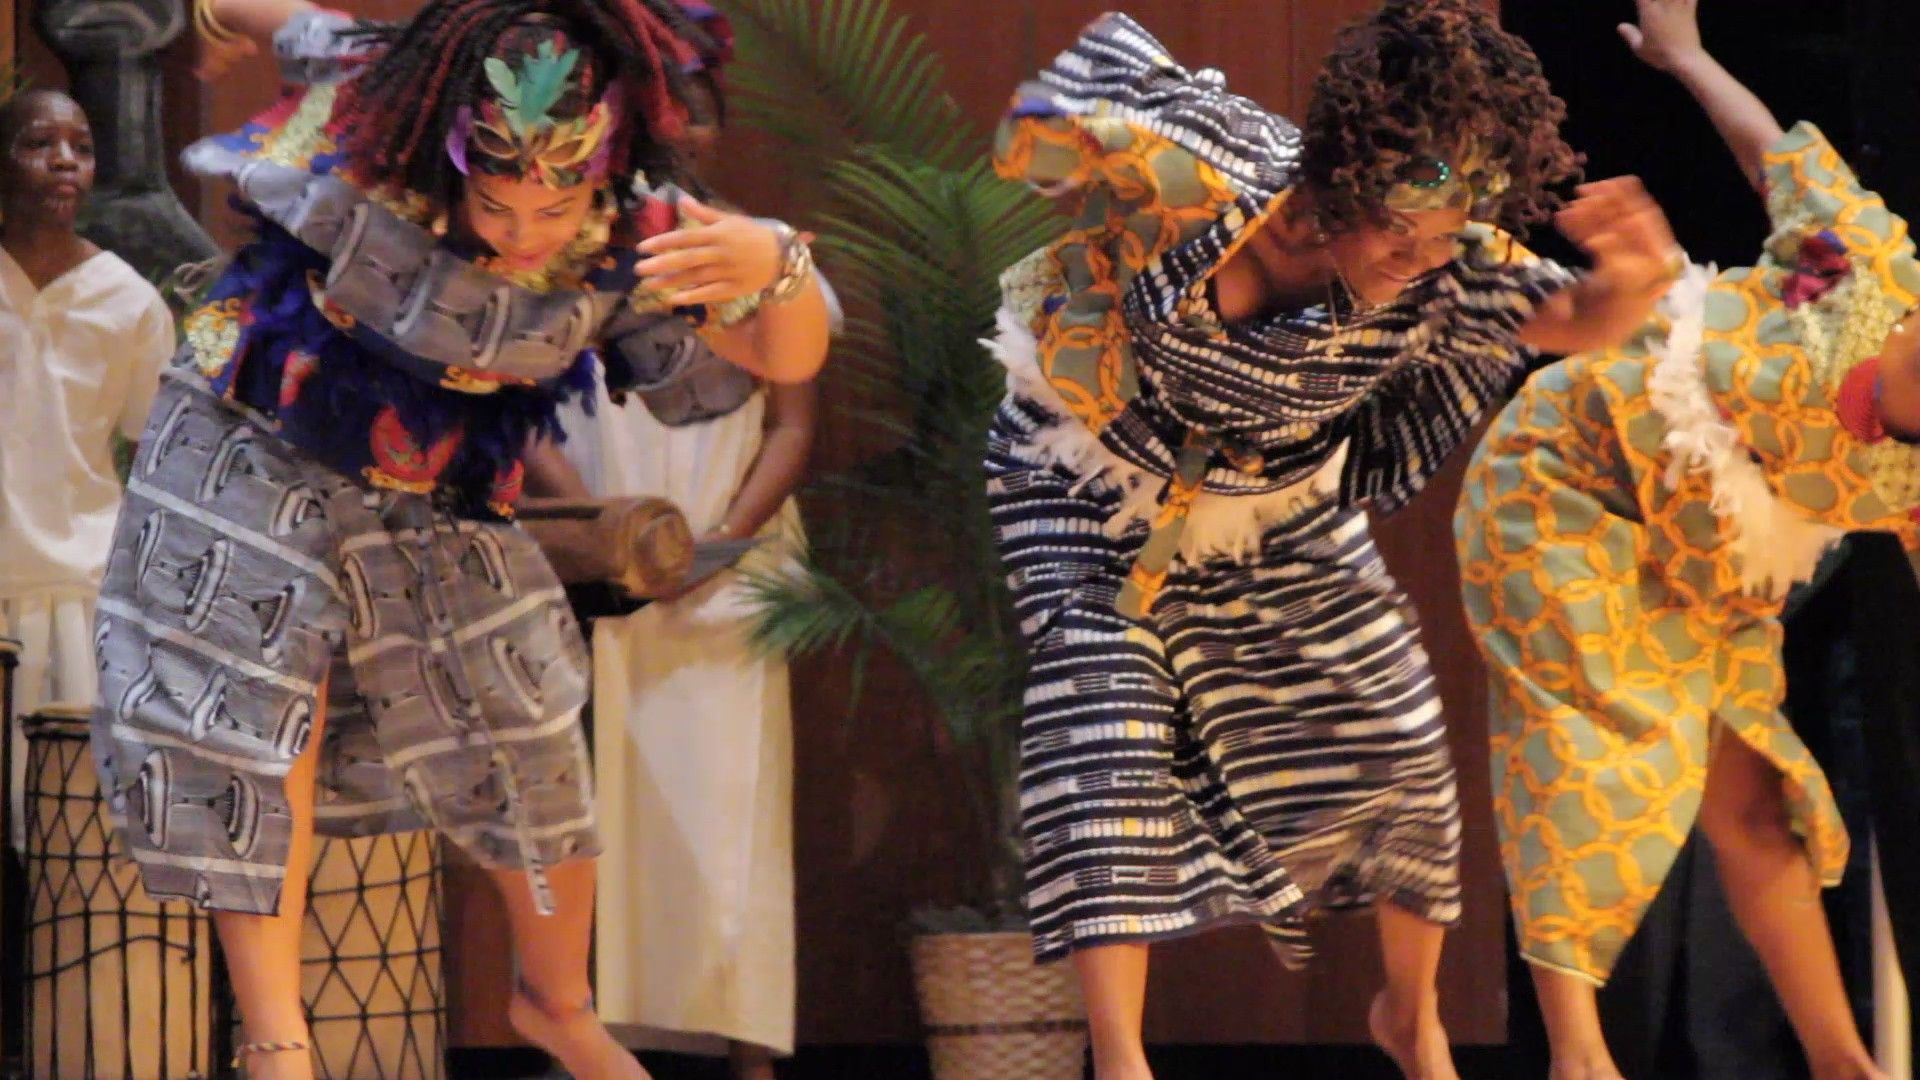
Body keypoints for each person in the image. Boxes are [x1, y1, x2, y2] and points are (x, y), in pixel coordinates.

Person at [92, 1, 831, 1077]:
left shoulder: (639, 230)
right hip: (250, 432)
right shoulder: (372, 100)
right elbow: (292, 14)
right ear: (451, 145)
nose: (527, 232)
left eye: (554, 202)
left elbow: (787, 363)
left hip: (430, 480)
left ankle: (556, 1003)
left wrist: (781, 262)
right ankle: (274, 1036)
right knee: (253, 705)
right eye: (496, 202)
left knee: (525, 717)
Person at [983, 4, 1679, 1078]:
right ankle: (1120, 1060)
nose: (1418, 263)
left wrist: (1627, 293)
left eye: (1440, 241)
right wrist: (1072, 139)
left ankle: (1413, 1020)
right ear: (1333, 197)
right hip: (1089, 472)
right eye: (1397, 239)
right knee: (1106, 728)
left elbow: (1569, 320)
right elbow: (1057, 114)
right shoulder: (1216, 178)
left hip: (1270, 495)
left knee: (1399, 744)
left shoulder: (1446, 261)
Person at [1455, 2, 1920, 1077]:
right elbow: (1775, 163)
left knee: (1754, 800)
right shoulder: (1866, 273)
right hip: (1564, 480)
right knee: (1587, 751)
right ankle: (1579, 1055)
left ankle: (1843, 1061)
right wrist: (1688, 56)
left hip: (1700, 568)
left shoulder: (1903, 485)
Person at [531, 4, 819, 1076]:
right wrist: (608, 542)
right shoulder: (565, 252)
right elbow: (516, 416)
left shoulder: (766, 258)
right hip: (601, 561)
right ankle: (586, 1033)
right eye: (665, 115)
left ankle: (748, 1049)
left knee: (734, 809)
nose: (683, 133)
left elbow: (794, 420)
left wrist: (716, 543)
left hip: (731, 565)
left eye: (698, 115)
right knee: (598, 808)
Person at [0, 88, 175, 833]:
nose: (65, 161)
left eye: (82, 147)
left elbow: (159, 448)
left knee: (71, 836)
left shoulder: (128, 300)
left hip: (79, 594)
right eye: (41, 143)